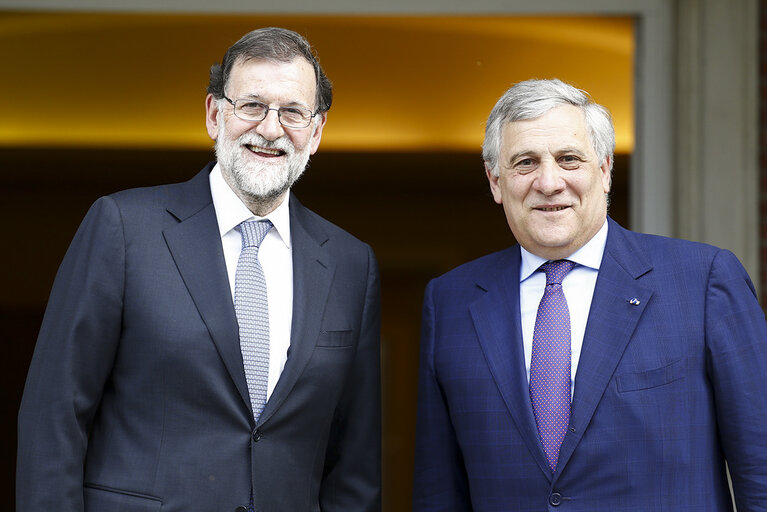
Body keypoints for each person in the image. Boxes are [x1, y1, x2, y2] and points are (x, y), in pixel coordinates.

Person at [17, 27, 381, 512]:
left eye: (293, 112)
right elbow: (53, 418)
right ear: (215, 114)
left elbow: (354, 465)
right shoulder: (123, 229)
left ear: (316, 133)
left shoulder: (351, 264)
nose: (271, 129)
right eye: (252, 105)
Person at [412, 78, 767, 511]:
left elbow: (760, 466)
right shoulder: (450, 302)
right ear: (495, 181)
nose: (549, 181)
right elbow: (438, 491)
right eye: (525, 162)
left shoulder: (702, 281)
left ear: (604, 170)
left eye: (569, 159)